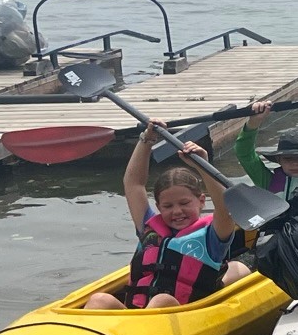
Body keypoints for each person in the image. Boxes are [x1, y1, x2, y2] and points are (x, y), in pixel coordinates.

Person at [85, 125, 250, 310]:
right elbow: (133, 184)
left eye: (184, 203)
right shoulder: (148, 229)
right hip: (133, 316)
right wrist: (146, 140)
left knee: (161, 300)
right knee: (99, 300)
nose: (177, 211)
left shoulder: (213, 236)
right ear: (158, 207)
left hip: (183, 313)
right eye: (168, 206)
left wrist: (203, 166)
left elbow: (224, 206)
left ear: (202, 201)